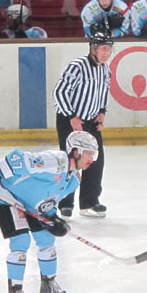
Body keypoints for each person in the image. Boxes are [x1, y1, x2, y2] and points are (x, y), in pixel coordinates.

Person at [0, 131, 100, 293]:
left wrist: (53, 219)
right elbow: (17, 158)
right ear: (76, 151)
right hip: (7, 198)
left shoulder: (73, 180)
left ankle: (48, 285)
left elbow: (47, 202)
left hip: (31, 205)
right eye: (89, 153)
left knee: (47, 240)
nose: (92, 159)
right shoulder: (55, 161)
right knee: (21, 242)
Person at [52, 32, 113, 219]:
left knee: (95, 160)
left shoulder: (105, 69)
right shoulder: (77, 66)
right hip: (69, 120)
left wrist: (102, 112)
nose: (107, 53)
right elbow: (59, 92)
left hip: (91, 120)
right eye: (103, 48)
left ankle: (90, 201)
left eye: (109, 49)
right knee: (71, 161)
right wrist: (72, 116)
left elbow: (104, 92)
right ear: (93, 48)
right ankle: (64, 203)